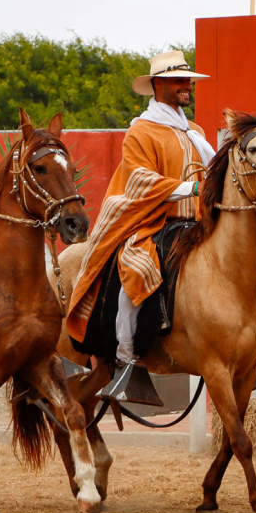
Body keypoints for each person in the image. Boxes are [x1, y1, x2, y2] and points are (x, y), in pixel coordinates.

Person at [64, 49, 213, 399]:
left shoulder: (195, 130)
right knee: (138, 267)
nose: (186, 87)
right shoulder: (141, 131)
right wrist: (192, 187)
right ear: (157, 85)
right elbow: (140, 181)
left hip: (196, 222)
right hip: (151, 220)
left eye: (188, 81)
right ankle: (125, 358)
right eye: (178, 81)